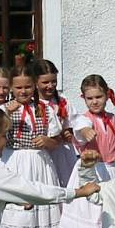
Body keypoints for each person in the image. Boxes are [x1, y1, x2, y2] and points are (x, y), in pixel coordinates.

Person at [0, 65, 63, 228]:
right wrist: (5, 113)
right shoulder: (4, 109)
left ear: (34, 86)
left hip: (39, 163)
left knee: (38, 212)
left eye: (27, 86)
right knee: (17, 216)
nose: (23, 91)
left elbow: (56, 139)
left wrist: (48, 141)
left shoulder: (44, 109)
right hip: (14, 162)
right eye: (18, 87)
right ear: (11, 88)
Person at [54, 74, 115, 228]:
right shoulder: (82, 119)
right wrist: (85, 132)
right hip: (90, 172)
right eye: (90, 98)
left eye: (99, 97)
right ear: (84, 98)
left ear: (107, 94)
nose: (95, 102)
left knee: (109, 221)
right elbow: (81, 131)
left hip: (112, 172)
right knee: (89, 218)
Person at [33, 58, 82, 186]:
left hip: (62, 154)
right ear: (35, 82)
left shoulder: (62, 101)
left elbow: (74, 121)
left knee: (65, 185)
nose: (50, 86)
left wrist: (69, 132)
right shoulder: (32, 104)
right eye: (45, 82)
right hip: (41, 154)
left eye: (53, 81)